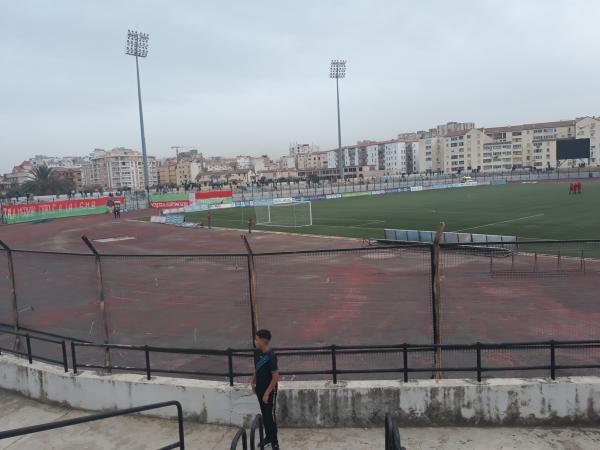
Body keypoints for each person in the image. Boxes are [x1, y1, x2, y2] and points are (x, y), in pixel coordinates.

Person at [251, 329, 280, 450]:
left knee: (270, 417)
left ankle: (275, 443)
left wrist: (267, 394)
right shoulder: (257, 352)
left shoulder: (271, 356)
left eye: (256, 339)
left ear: (262, 341)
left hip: (269, 392)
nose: (255, 341)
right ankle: (268, 437)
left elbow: (275, 377)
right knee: (264, 415)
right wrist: (253, 381)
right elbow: (257, 368)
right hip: (260, 389)